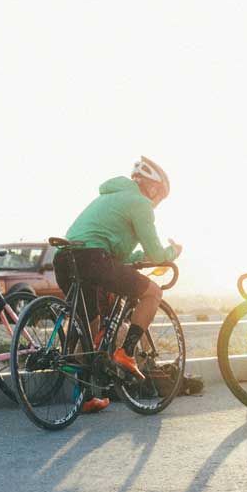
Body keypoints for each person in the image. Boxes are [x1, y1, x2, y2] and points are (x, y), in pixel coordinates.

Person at [53, 157, 182, 413]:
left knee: (88, 327)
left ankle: (85, 396)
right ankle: (127, 352)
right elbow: (157, 254)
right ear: (153, 188)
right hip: (93, 258)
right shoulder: (140, 203)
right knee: (153, 292)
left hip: (66, 258)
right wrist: (173, 251)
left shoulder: (109, 198)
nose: (158, 202)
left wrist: (137, 259)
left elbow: (119, 256)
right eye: (161, 196)